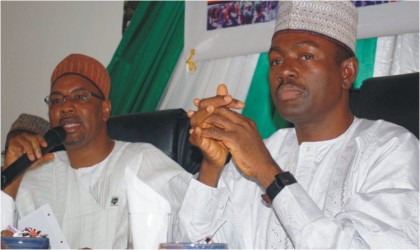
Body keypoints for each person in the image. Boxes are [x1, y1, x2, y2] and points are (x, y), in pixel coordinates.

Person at [178, 1, 419, 248]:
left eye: (306, 56)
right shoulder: (258, 153)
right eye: (276, 61)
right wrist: (211, 167)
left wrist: (267, 171)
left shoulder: (390, 149)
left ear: (347, 72)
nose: (285, 71)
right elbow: (193, 243)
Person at [2, 53, 192, 248]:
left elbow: (191, 228)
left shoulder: (141, 161)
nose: (66, 106)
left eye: (80, 97)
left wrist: (212, 167)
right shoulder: (35, 175)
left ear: (105, 109)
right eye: (56, 100)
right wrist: (12, 173)